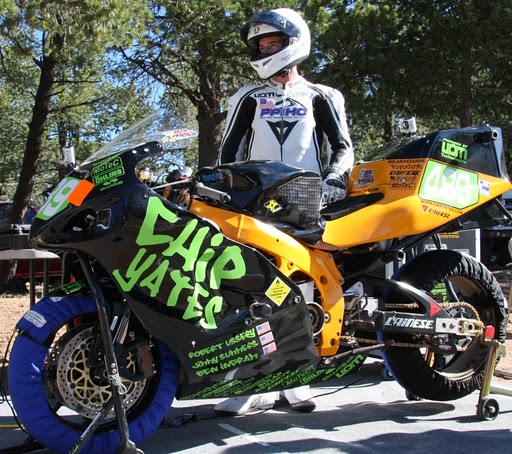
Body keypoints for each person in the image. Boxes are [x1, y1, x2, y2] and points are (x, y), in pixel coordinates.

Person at [214, 8, 354, 416]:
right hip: (256, 201)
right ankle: (250, 382)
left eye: (272, 43)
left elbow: (343, 146)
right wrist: (225, 187)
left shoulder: (322, 95)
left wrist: (334, 179)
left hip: (305, 201)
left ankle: (296, 380)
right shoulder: (247, 97)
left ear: (293, 43)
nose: (265, 51)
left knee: (300, 288)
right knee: (249, 288)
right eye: (260, 45)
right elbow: (228, 152)